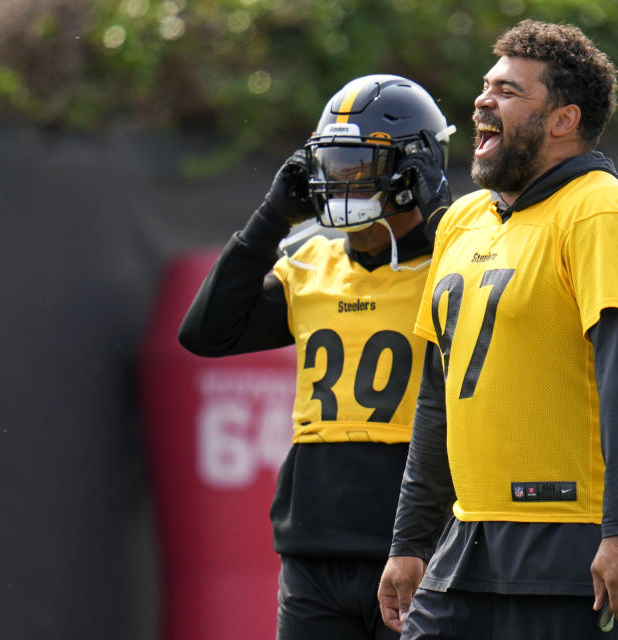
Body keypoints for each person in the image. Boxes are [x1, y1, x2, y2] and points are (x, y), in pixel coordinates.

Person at [377, 20, 618, 640]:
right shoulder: (461, 221)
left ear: (563, 120)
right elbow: (440, 397)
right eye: (486, 86)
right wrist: (411, 541)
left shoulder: (606, 212)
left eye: (509, 91)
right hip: (469, 541)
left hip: (579, 537)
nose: (482, 101)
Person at [178, 74, 455, 640]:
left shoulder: (457, 267)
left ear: (414, 169)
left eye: (360, 165)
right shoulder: (311, 265)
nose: (342, 182)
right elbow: (205, 333)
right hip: (314, 548)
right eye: (333, 165)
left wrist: (438, 213)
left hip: (417, 548)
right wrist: (269, 219)